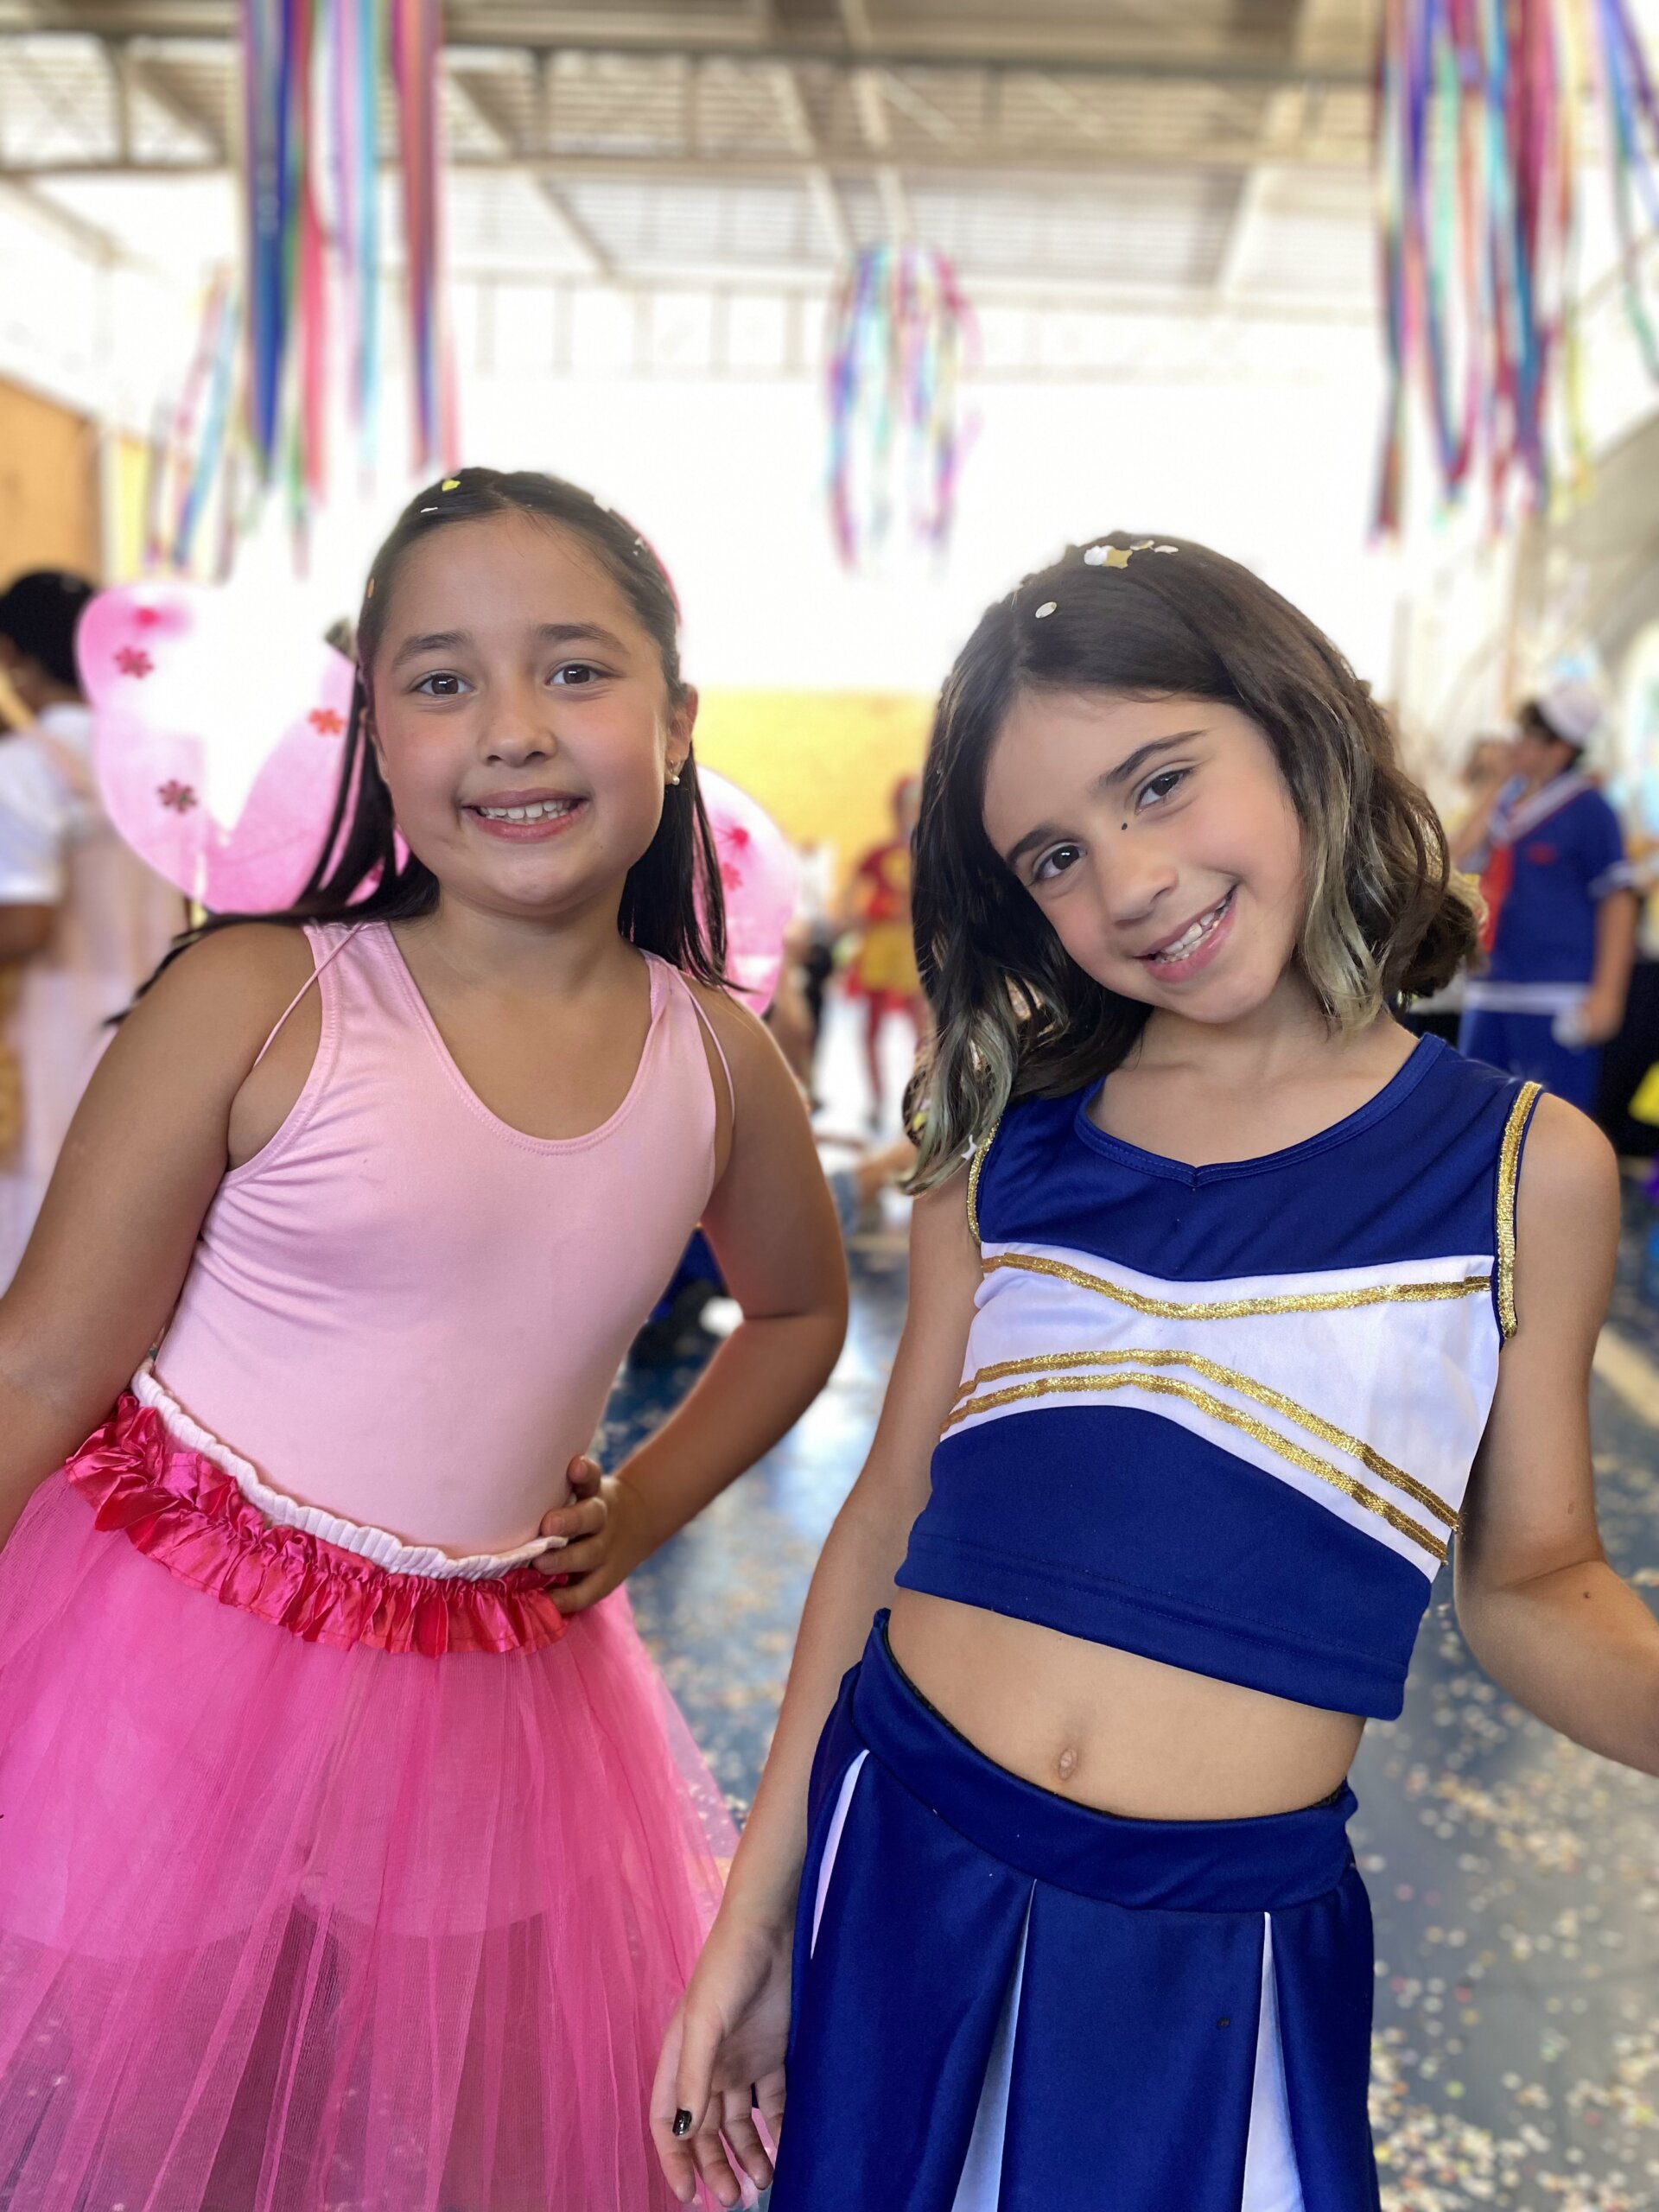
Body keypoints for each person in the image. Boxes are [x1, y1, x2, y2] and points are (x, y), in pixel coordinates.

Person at [652, 534, 1659, 2211]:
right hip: (896, 1861)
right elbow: (885, 1512)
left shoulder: (1515, 1168)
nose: (1127, 881)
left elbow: (1536, 1581)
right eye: (1055, 853)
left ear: (1302, 730)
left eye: (1162, 781)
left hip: (1214, 1956)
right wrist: (756, 1916)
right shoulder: (1008, 1140)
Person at [0, 469, 847, 2211]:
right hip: (165, 1657)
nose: (513, 727)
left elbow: (801, 1307)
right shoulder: (260, 997)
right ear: (374, 734)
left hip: (489, 1692)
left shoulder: (718, 1058)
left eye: (575, 671)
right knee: (159, 2106)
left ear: (678, 722)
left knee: (438, 2113)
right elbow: (38, 1365)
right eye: (444, 680)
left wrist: (650, 1504)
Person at [0, 569, 182, 1281]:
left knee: (40, 1236)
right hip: (156, 1026)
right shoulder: (159, 760)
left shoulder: (24, 768)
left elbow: (27, 926)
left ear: (12, 654)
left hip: (53, 1034)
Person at [1453, 681, 1638, 1113]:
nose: (1515, 743)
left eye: (1530, 736)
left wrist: (1608, 996)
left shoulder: (1589, 809)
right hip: (1490, 987)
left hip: (1555, 994)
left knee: (1552, 1121)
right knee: (1474, 1115)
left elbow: (1617, 901)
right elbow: (1458, 856)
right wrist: (1495, 784)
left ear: (1560, 749)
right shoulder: (1505, 804)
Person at [842, 774, 926, 1127]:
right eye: (908, 805)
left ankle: (922, 1099)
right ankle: (877, 1102)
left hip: (909, 946)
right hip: (880, 945)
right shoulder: (879, 854)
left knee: (921, 1025)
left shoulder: (928, 854)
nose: (913, 812)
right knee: (873, 1025)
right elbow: (850, 895)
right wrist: (859, 916)